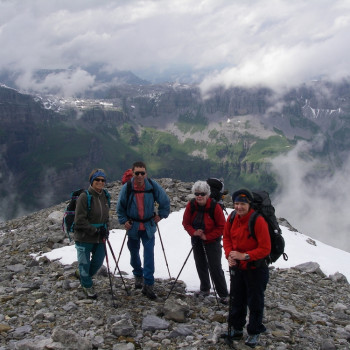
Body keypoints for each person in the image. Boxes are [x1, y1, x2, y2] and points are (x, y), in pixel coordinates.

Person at [223, 189, 271, 348]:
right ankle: (236, 328)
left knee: (255, 301)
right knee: (237, 298)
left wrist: (245, 256)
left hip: (255, 268)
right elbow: (227, 238)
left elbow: (265, 248)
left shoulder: (257, 220)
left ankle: (254, 331)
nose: (238, 207)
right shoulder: (231, 218)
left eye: (242, 204)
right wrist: (229, 255)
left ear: (249, 204)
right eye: (236, 203)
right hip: (237, 267)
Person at [116, 161, 170, 300]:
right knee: (134, 254)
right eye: (137, 173)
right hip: (134, 226)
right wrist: (124, 221)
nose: (140, 176)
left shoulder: (152, 185)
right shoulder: (127, 187)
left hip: (148, 226)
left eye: (142, 173)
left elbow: (165, 201)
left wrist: (161, 215)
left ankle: (149, 284)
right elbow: (120, 207)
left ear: (146, 173)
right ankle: (138, 275)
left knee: (149, 255)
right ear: (133, 173)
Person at [182, 180, 228, 304]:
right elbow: (185, 223)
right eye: (197, 194)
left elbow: (222, 227)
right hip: (196, 239)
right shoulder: (191, 205)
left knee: (215, 267)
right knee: (200, 263)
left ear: (207, 194)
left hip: (212, 241)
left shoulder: (215, 207)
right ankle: (205, 289)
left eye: (202, 194)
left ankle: (223, 294)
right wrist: (194, 232)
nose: (199, 196)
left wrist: (207, 236)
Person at [74, 168, 110, 299]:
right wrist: (95, 230)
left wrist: (106, 229)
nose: (100, 182)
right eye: (97, 180)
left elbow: (106, 217)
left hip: (100, 236)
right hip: (84, 237)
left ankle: (82, 274)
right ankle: (87, 285)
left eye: (102, 180)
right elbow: (79, 220)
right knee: (84, 263)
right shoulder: (85, 197)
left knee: (98, 261)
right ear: (92, 181)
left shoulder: (105, 196)